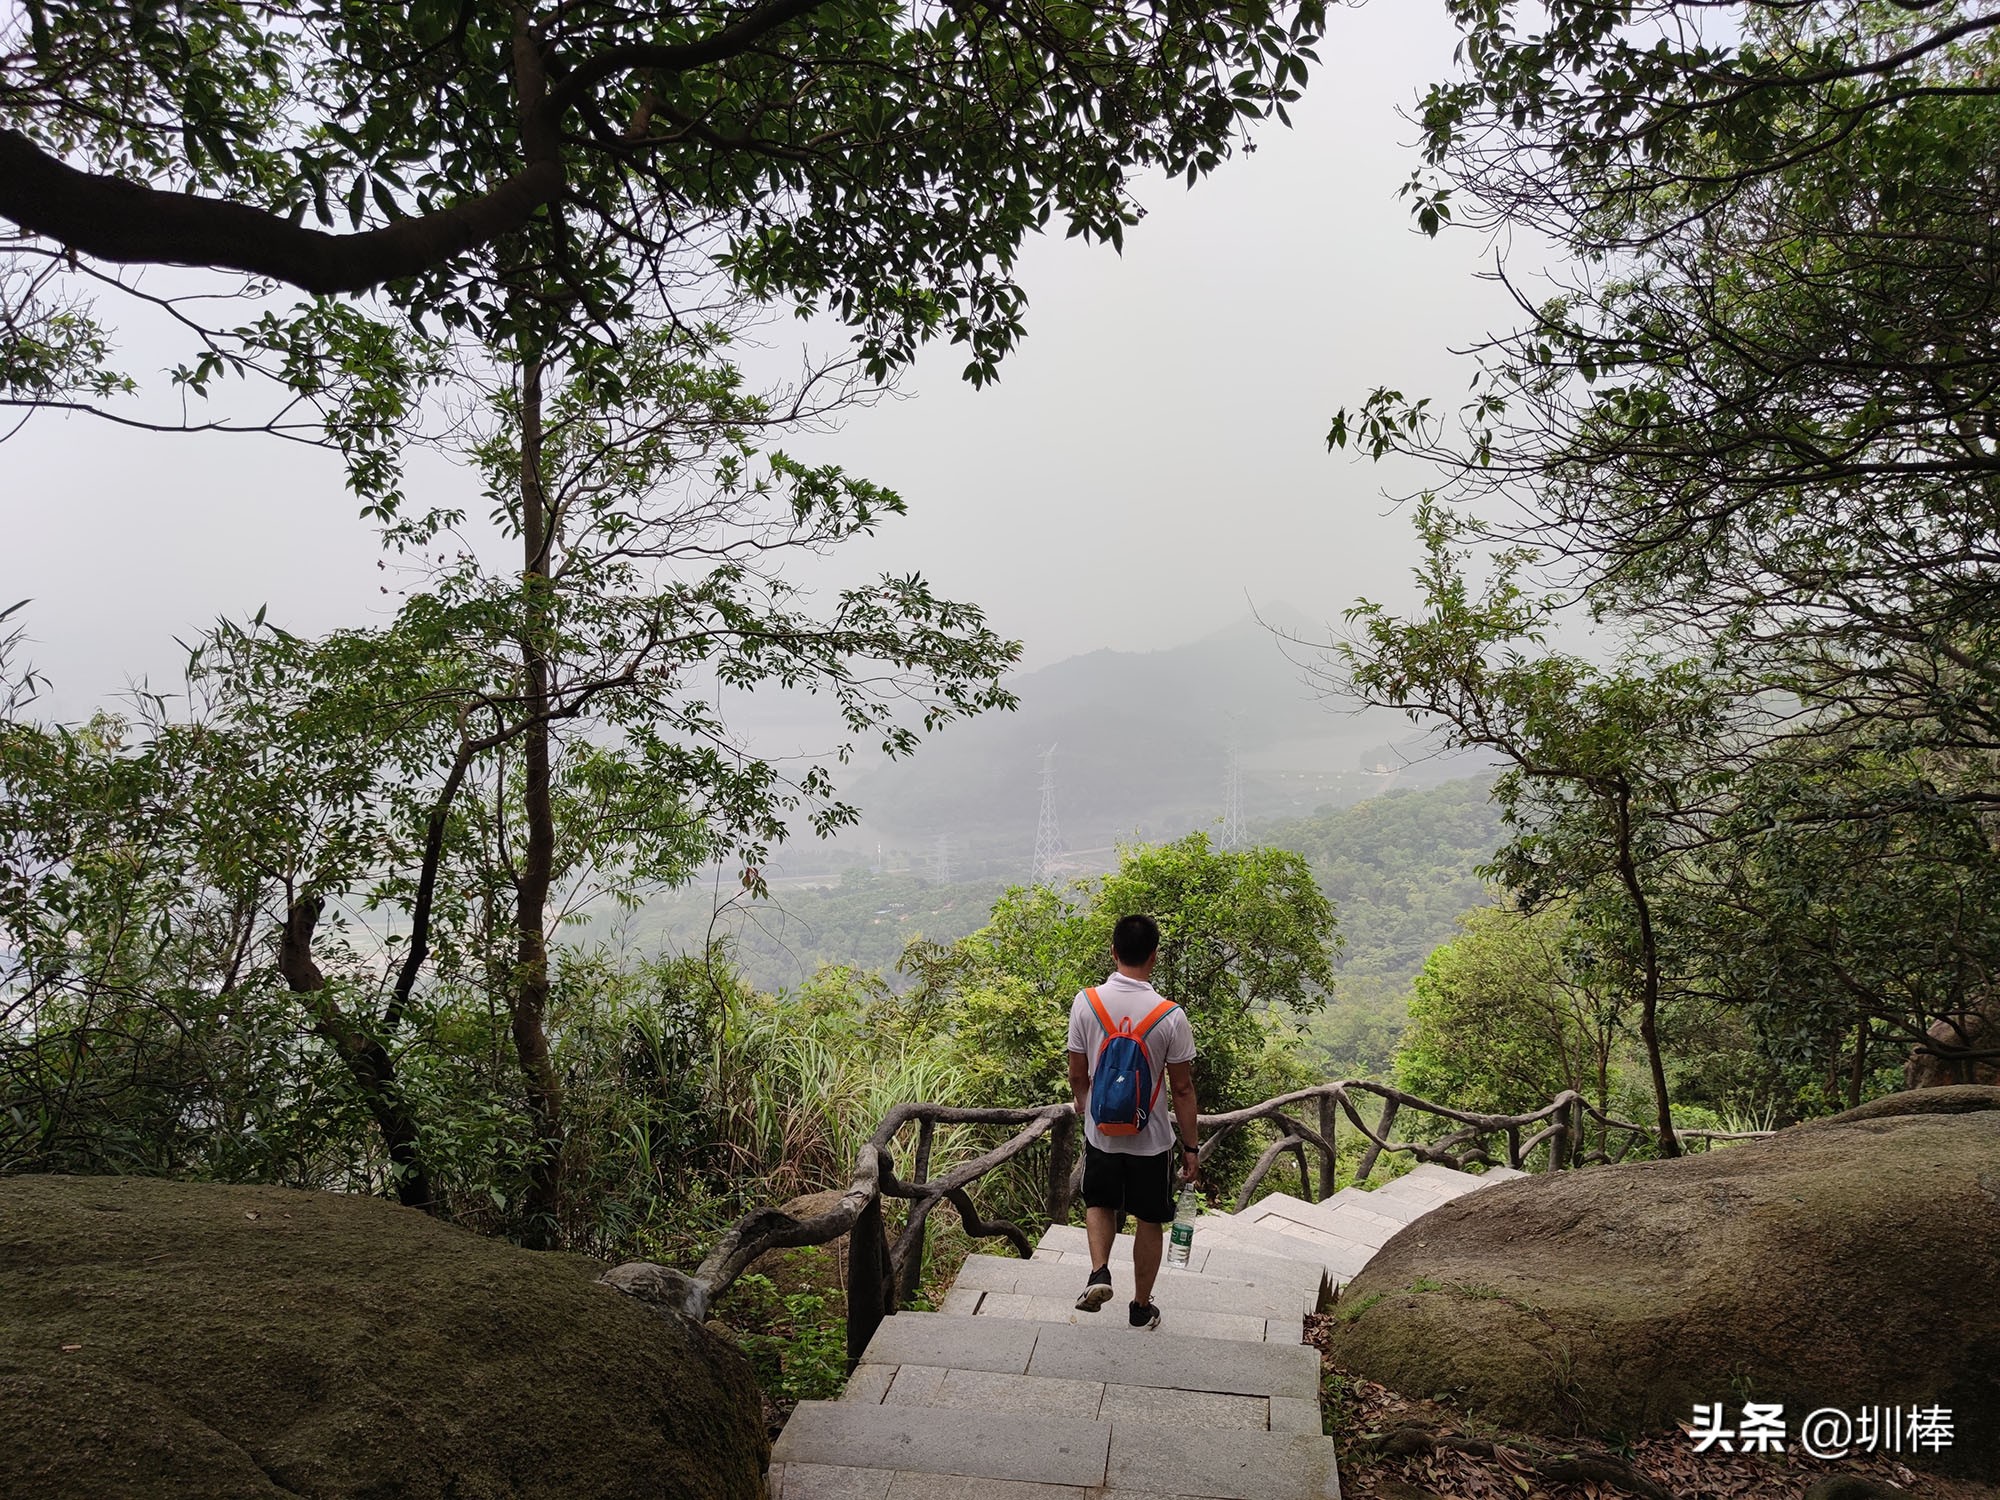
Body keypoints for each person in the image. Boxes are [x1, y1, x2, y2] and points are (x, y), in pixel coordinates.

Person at [1065, 913, 1199, 1330]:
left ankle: (1099, 1271)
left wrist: (1090, 1113)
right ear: (1154, 957)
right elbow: (1181, 1089)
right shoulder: (1170, 1015)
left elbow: (1076, 1073)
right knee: (1149, 1218)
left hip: (1101, 1134)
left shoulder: (1086, 1002)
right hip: (1151, 1140)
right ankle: (1140, 1306)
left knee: (1099, 1202)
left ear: (1114, 951)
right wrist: (1191, 1148)